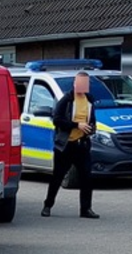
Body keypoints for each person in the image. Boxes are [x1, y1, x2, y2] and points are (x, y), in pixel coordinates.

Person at [43, 71, 99, 219]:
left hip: (82, 145)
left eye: (85, 83)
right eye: (79, 82)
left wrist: (92, 128)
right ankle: (47, 205)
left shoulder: (89, 100)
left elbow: (92, 119)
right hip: (65, 146)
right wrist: (76, 125)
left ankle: (86, 209)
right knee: (58, 177)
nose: (82, 86)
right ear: (74, 83)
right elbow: (57, 120)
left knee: (87, 177)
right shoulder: (66, 100)